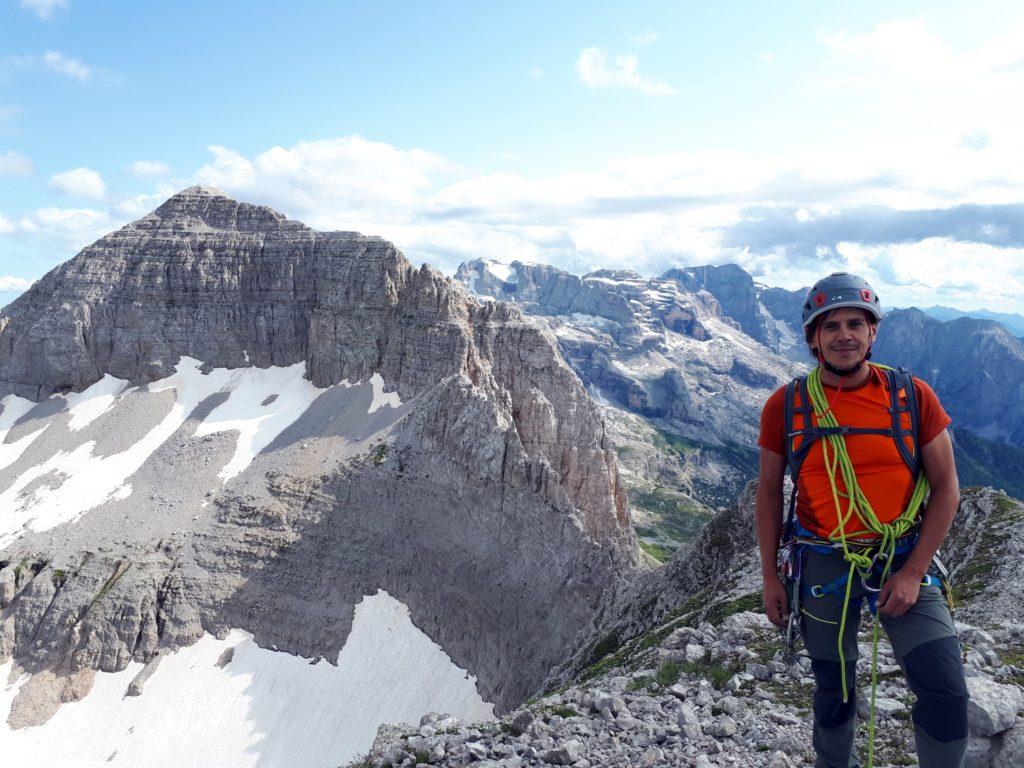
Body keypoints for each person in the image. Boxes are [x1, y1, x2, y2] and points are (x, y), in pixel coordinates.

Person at [755, 272, 969, 768]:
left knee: (945, 692)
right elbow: (767, 493)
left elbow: (947, 487)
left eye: (857, 323)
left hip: (903, 553)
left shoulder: (913, 396)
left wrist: (914, 571)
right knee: (836, 689)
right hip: (823, 556)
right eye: (831, 326)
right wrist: (770, 577)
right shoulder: (784, 406)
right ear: (814, 339)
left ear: (873, 333)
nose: (845, 334)